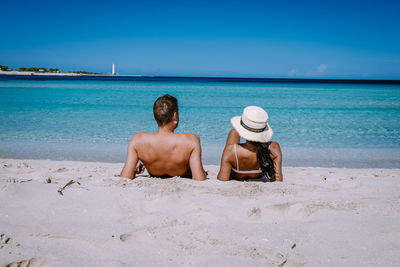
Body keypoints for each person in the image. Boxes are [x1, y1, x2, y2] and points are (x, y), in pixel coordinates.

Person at [120, 94, 206, 181]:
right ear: (175, 116)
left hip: (155, 172)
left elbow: (125, 177)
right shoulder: (191, 141)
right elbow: (199, 178)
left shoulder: (138, 140)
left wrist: (135, 169)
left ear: (156, 116)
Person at [217, 106, 283, 182]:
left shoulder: (231, 151)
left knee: (233, 133)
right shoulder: (274, 147)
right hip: (258, 174)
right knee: (234, 133)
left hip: (237, 169)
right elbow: (278, 180)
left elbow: (222, 179)